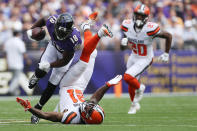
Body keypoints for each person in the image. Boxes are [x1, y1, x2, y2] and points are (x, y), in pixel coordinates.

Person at [16, 19, 120, 124]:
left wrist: (30, 109)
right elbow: (95, 98)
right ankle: (86, 26)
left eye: (89, 109)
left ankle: (98, 33)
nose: (90, 105)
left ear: (86, 116)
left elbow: (49, 116)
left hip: (68, 83)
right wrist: (108, 84)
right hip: (80, 86)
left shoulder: (72, 117)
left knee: (83, 58)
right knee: (93, 53)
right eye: (92, 106)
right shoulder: (87, 110)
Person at [26, 12, 82, 123]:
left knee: (52, 84)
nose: (60, 35)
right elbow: (42, 19)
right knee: (42, 68)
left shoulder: (74, 40)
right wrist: (32, 29)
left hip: (64, 57)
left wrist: (50, 65)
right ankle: (37, 76)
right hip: (53, 46)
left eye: (64, 33)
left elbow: (65, 60)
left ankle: (38, 108)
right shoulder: (52, 21)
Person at [120, 4, 172, 114]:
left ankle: (140, 89)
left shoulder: (150, 29)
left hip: (145, 58)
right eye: (137, 15)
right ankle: (134, 105)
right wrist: (123, 43)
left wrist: (166, 53)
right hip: (133, 56)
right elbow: (122, 47)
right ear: (134, 15)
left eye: (141, 16)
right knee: (131, 82)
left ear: (146, 18)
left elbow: (168, 36)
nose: (139, 18)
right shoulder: (126, 25)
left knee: (128, 77)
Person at [4, 30, 32, 96]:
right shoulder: (19, 42)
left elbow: (5, 54)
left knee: (14, 77)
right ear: (18, 34)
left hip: (10, 63)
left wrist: (7, 63)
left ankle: (15, 94)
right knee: (17, 77)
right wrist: (27, 60)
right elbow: (23, 52)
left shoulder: (8, 42)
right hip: (17, 63)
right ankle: (10, 90)